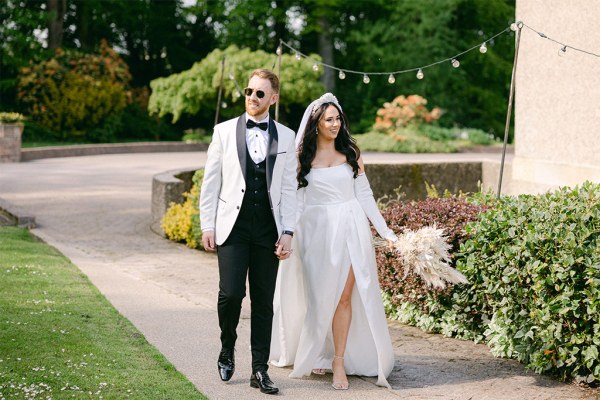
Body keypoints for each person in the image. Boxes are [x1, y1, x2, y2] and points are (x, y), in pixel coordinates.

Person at [269, 93, 397, 390]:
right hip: (314, 233)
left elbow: (365, 195)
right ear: (316, 124)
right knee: (319, 297)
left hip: (351, 227)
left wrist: (385, 231)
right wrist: (287, 234)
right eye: (329, 119)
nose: (336, 124)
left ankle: (338, 361)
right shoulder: (302, 158)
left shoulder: (351, 152)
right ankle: (318, 351)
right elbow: (296, 203)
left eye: (338, 118)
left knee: (343, 297)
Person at [200, 68, 297, 395]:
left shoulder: (287, 135)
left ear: (273, 98)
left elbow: (289, 188)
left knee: (264, 302)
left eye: (259, 93)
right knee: (231, 295)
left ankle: (260, 369)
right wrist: (207, 225)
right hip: (233, 227)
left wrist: (289, 232)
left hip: (268, 229)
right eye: (248, 91)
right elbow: (210, 183)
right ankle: (227, 348)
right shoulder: (223, 132)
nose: (252, 98)